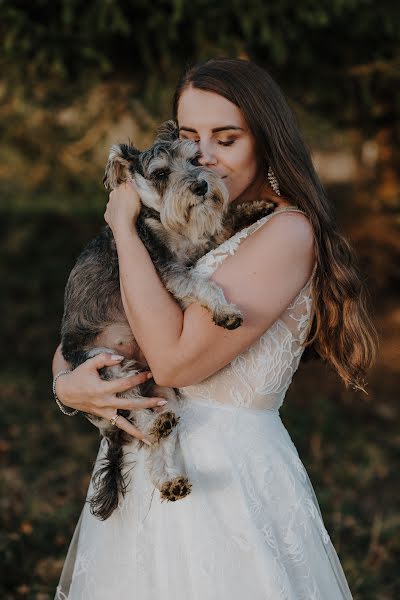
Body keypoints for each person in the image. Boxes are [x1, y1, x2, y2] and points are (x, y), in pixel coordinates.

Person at [53, 58, 377, 599]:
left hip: (226, 483)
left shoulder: (288, 233)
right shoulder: (203, 223)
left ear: (267, 142)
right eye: (189, 137)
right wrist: (66, 384)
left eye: (226, 138)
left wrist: (123, 229)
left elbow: (176, 362)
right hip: (151, 467)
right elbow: (94, 320)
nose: (203, 157)